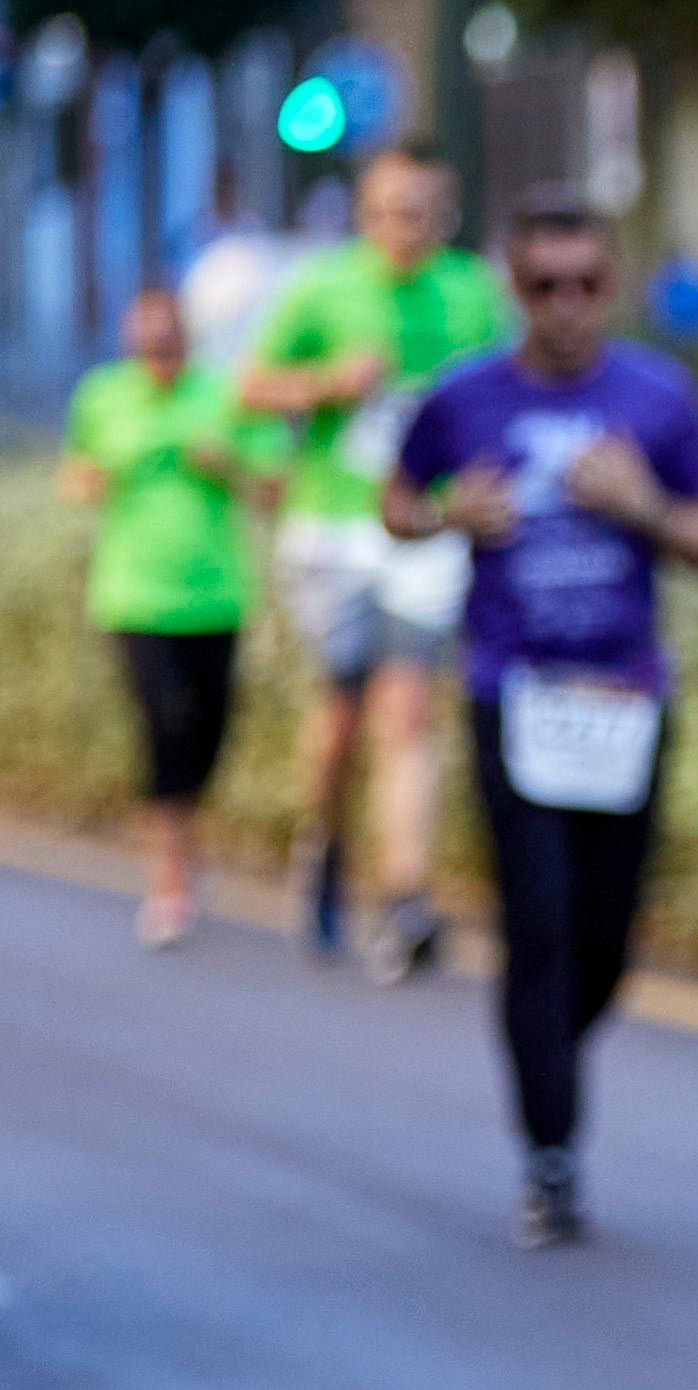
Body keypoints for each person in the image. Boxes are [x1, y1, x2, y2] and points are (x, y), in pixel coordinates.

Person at [385, 190, 698, 1250]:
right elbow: (395, 501)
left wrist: (642, 508)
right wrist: (449, 514)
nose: (566, 305)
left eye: (585, 285)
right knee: (536, 926)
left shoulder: (658, 397)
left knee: (606, 942)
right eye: (544, 286)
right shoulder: (462, 397)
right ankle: (551, 1153)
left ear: (609, 285)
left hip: (624, 697)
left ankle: (548, 1054)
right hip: (512, 692)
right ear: (513, 287)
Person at [242, 143, 510, 980]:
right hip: (333, 529)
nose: (407, 226)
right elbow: (250, 384)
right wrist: (326, 382)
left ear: (448, 215)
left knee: (408, 709)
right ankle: (322, 846)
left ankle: (405, 897)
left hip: (427, 529)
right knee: (340, 721)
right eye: (392, 210)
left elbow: (504, 393)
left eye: (424, 211)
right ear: (366, 212)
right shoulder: (323, 286)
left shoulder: (472, 293)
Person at [62, 286, 263, 950]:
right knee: (164, 726)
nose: (157, 356)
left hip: (215, 596)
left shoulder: (223, 394)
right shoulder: (103, 395)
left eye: (168, 344)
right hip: (135, 597)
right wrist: (106, 473)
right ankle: (168, 875)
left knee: (209, 734)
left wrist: (223, 462)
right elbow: (75, 476)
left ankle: (188, 834)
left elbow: (272, 482)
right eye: (145, 346)